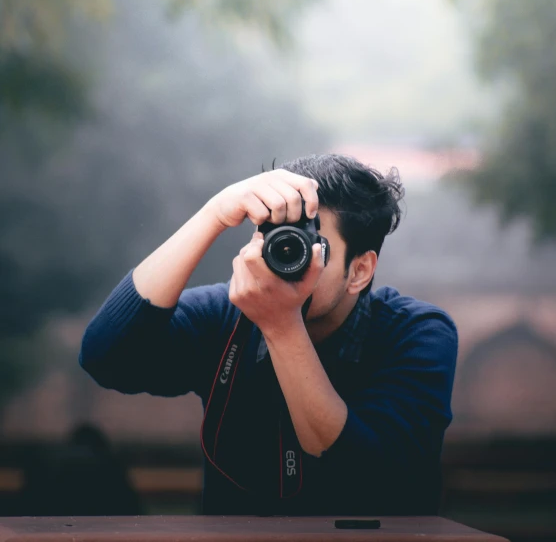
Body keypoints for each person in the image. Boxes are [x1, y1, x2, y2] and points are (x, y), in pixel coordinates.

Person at [79, 154, 457, 516]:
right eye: (276, 237)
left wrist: (280, 324)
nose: (286, 254)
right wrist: (213, 213)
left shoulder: (417, 334)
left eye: (311, 245)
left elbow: (360, 472)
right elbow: (105, 357)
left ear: (359, 271)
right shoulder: (229, 316)